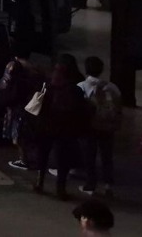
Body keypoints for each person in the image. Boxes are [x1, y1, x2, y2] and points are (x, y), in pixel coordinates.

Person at [33, 58, 92, 199]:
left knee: (43, 154)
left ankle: (39, 182)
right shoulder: (75, 89)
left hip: (46, 126)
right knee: (63, 160)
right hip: (66, 129)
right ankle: (60, 188)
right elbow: (80, 110)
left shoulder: (48, 85)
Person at [78, 56, 122, 198]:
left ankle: (90, 184)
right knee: (107, 156)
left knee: (89, 156)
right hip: (107, 126)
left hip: (90, 126)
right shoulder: (112, 87)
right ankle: (108, 184)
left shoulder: (82, 86)